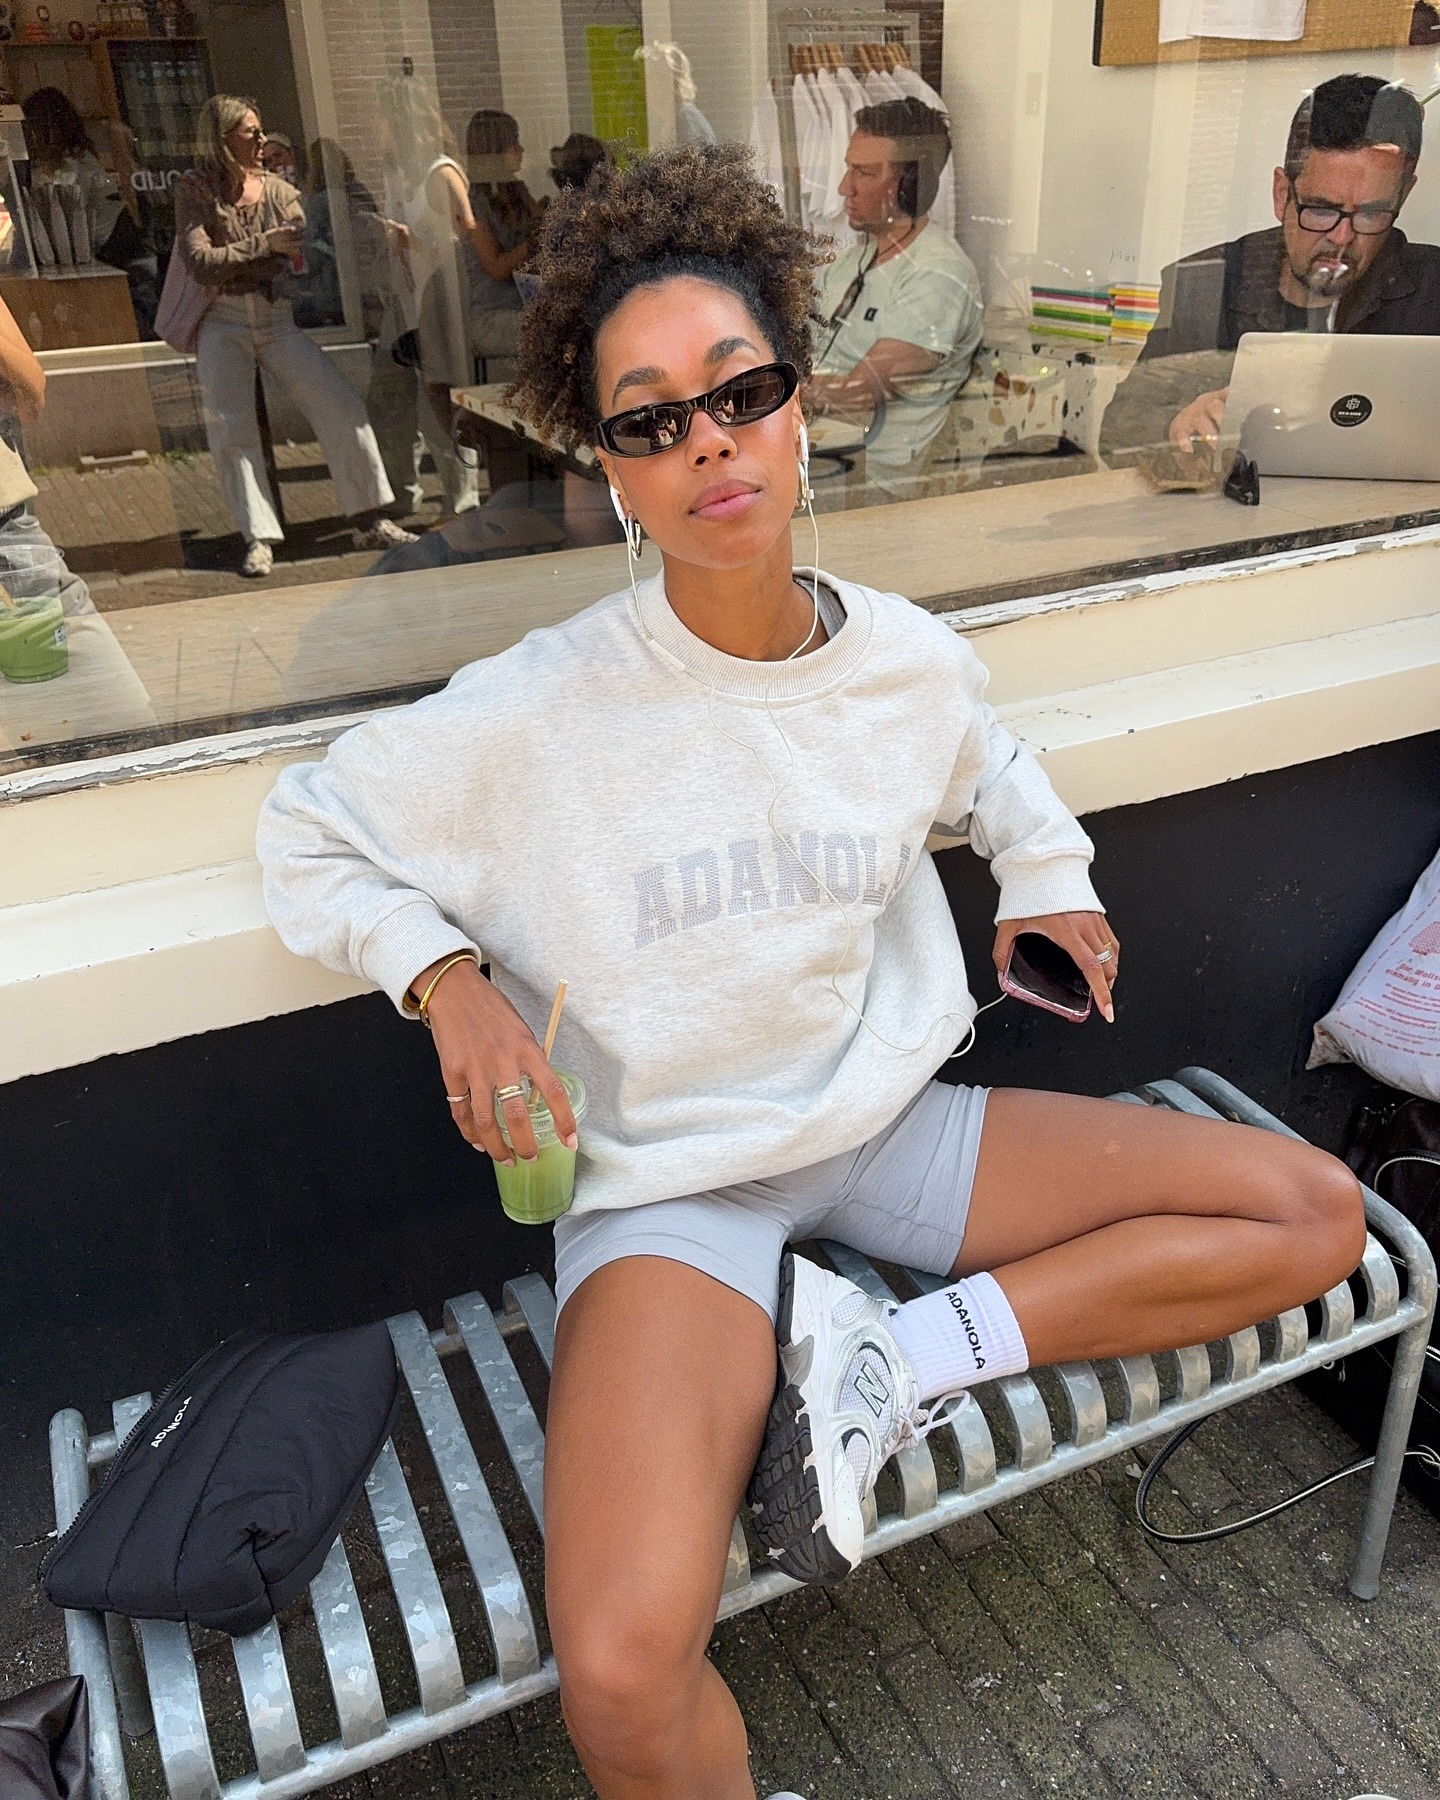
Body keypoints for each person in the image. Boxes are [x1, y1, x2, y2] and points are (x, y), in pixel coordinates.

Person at [256, 143, 1364, 1800]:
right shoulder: (541, 706)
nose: (705, 440)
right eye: (648, 418)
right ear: (614, 467)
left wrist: (1047, 884)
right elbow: (310, 828)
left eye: (738, 390)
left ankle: (890, 1366)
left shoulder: (907, 662)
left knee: (1312, 1216)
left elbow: (991, 758)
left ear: (796, 402)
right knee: (626, 1678)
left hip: (882, 1127)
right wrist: (450, 984)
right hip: (669, 1185)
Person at [1101, 74, 1440, 463]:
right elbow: (1117, 433)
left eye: (1372, 213)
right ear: (1282, 194)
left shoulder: (1433, 289)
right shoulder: (1207, 280)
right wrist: (1175, 426)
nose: (1342, 237)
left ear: (1404, 195)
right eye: (1322, 209)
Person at [176, 96, 413, 577]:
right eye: (251, 132)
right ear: (222, 138)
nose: (263, 141)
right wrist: (262, 246)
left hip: (276, 317)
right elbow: (199, 262)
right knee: (231, 429)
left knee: (340, 405)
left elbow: (302, 235)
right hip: (222, 319)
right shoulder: (195, 188)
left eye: (261, 131)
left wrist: (247, 254)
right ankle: (259, 538)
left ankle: (370, 517)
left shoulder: (279, 190)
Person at [807, 98, 983, 499]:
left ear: (911, 187)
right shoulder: (851, 262)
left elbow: (858, 395)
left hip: (880, 483)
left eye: (863, 173)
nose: (843, 188)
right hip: (825, 462)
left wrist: (767, 391)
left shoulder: (939, 275)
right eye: (849, 168)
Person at [464, 109, 543, 378]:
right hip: (493, 318)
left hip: (528, 309)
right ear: (494, 150)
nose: (521, 149)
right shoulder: (474, 201)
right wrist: (531, 245)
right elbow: (495, 267)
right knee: (558, 332)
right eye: (514, 143)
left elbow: (544, 229)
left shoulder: (518, 191)